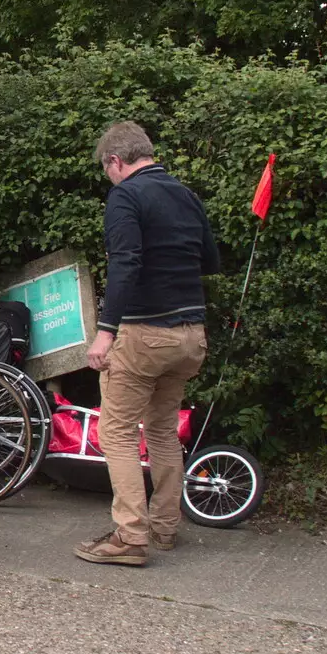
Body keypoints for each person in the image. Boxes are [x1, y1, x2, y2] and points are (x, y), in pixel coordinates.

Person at [76, 121, 221, 567]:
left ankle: (130, 536)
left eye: (109, 171)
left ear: (115, 161)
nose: (111, 179)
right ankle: (164, 528)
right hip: (190, 335)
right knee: (161, 429)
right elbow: (211, 261)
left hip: (144, 334)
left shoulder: (126, 196)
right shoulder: (185, 195)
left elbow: (125, 264)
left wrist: (105, 331)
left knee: (115, 431)